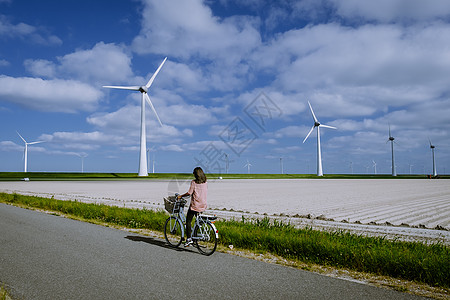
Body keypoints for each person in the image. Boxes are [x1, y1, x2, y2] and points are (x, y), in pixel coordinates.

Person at [177, 167, 208, 247]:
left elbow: (189, 193)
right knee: (197, 222)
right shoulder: (205, 182)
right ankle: (195, 240)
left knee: (188, 221)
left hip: (195, 205)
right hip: (203, 205)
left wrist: (181, 196)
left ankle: (189, 239)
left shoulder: (194, 182)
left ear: (195, 174)